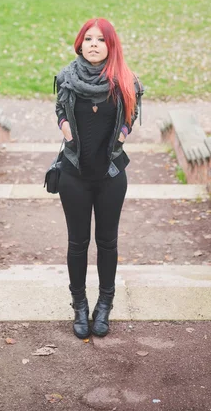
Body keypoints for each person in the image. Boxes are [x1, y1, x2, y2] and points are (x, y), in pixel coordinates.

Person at [55, 18, 144, 339]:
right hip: (73, 175)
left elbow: (130, 118)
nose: (94, 44)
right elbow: (60, 111)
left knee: (107, 242)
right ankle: (79, 305)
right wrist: (65, 129)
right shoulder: (66, 78)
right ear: (80, 43)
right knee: (77, 244)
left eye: (101, 40)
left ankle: (104, 305)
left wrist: (121, 136)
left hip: (110, 176)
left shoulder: (125, 81)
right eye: (88, 39)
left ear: (111, 45)